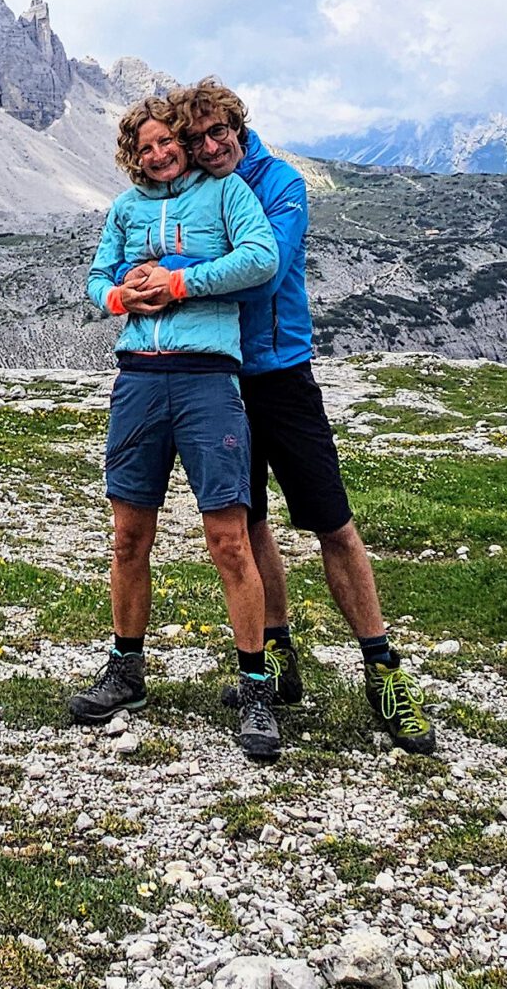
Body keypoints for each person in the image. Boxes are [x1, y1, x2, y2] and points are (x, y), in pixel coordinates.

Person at [162, 78, 437, 754]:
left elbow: (265, 267)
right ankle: (279, 657)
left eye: (217, 130)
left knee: (333, 524)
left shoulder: (280, 182)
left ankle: (382, 672)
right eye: (194, 138)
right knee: (248, 519)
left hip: (283, 374)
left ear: (238, 126)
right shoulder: (195, 187)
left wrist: (176, 273)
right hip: (219, 376)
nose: (207, 145)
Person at [69, 96, 288, 761]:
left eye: (168, 142)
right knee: (129, 536)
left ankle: (256, 689)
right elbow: (96, 278)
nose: (159, 154)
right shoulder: (126, 209)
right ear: (131, 156)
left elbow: (261, 260)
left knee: (227, 537)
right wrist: (119, 297)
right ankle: (126, 672)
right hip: (138, 378)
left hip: (205, 380)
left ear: (183, 145)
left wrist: (178, 284)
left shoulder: (224, 193)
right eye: (145, 148)